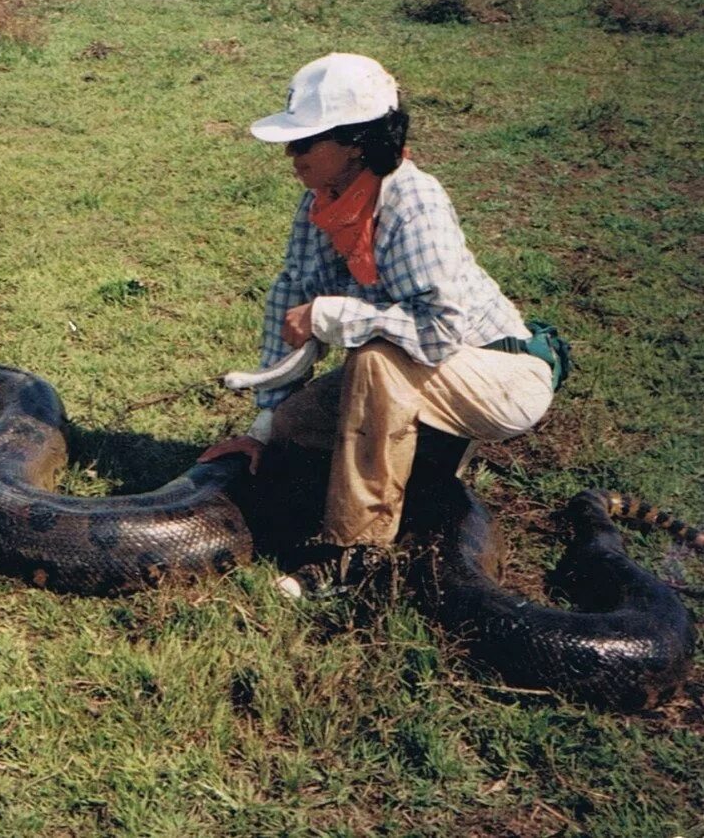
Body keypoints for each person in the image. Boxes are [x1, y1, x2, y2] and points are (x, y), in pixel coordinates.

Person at [200, 53, 566, 593]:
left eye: (304, 142)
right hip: (427, 369)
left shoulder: (414, 203)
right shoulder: (320, 203)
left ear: (355, 142)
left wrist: (333, 315)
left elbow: (439, 329)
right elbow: (291, 298)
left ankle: (355, 553)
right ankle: (423, 465)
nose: (290, 153)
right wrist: (262, 426)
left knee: (374, 357)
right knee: (294, 425)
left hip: (502, 375)